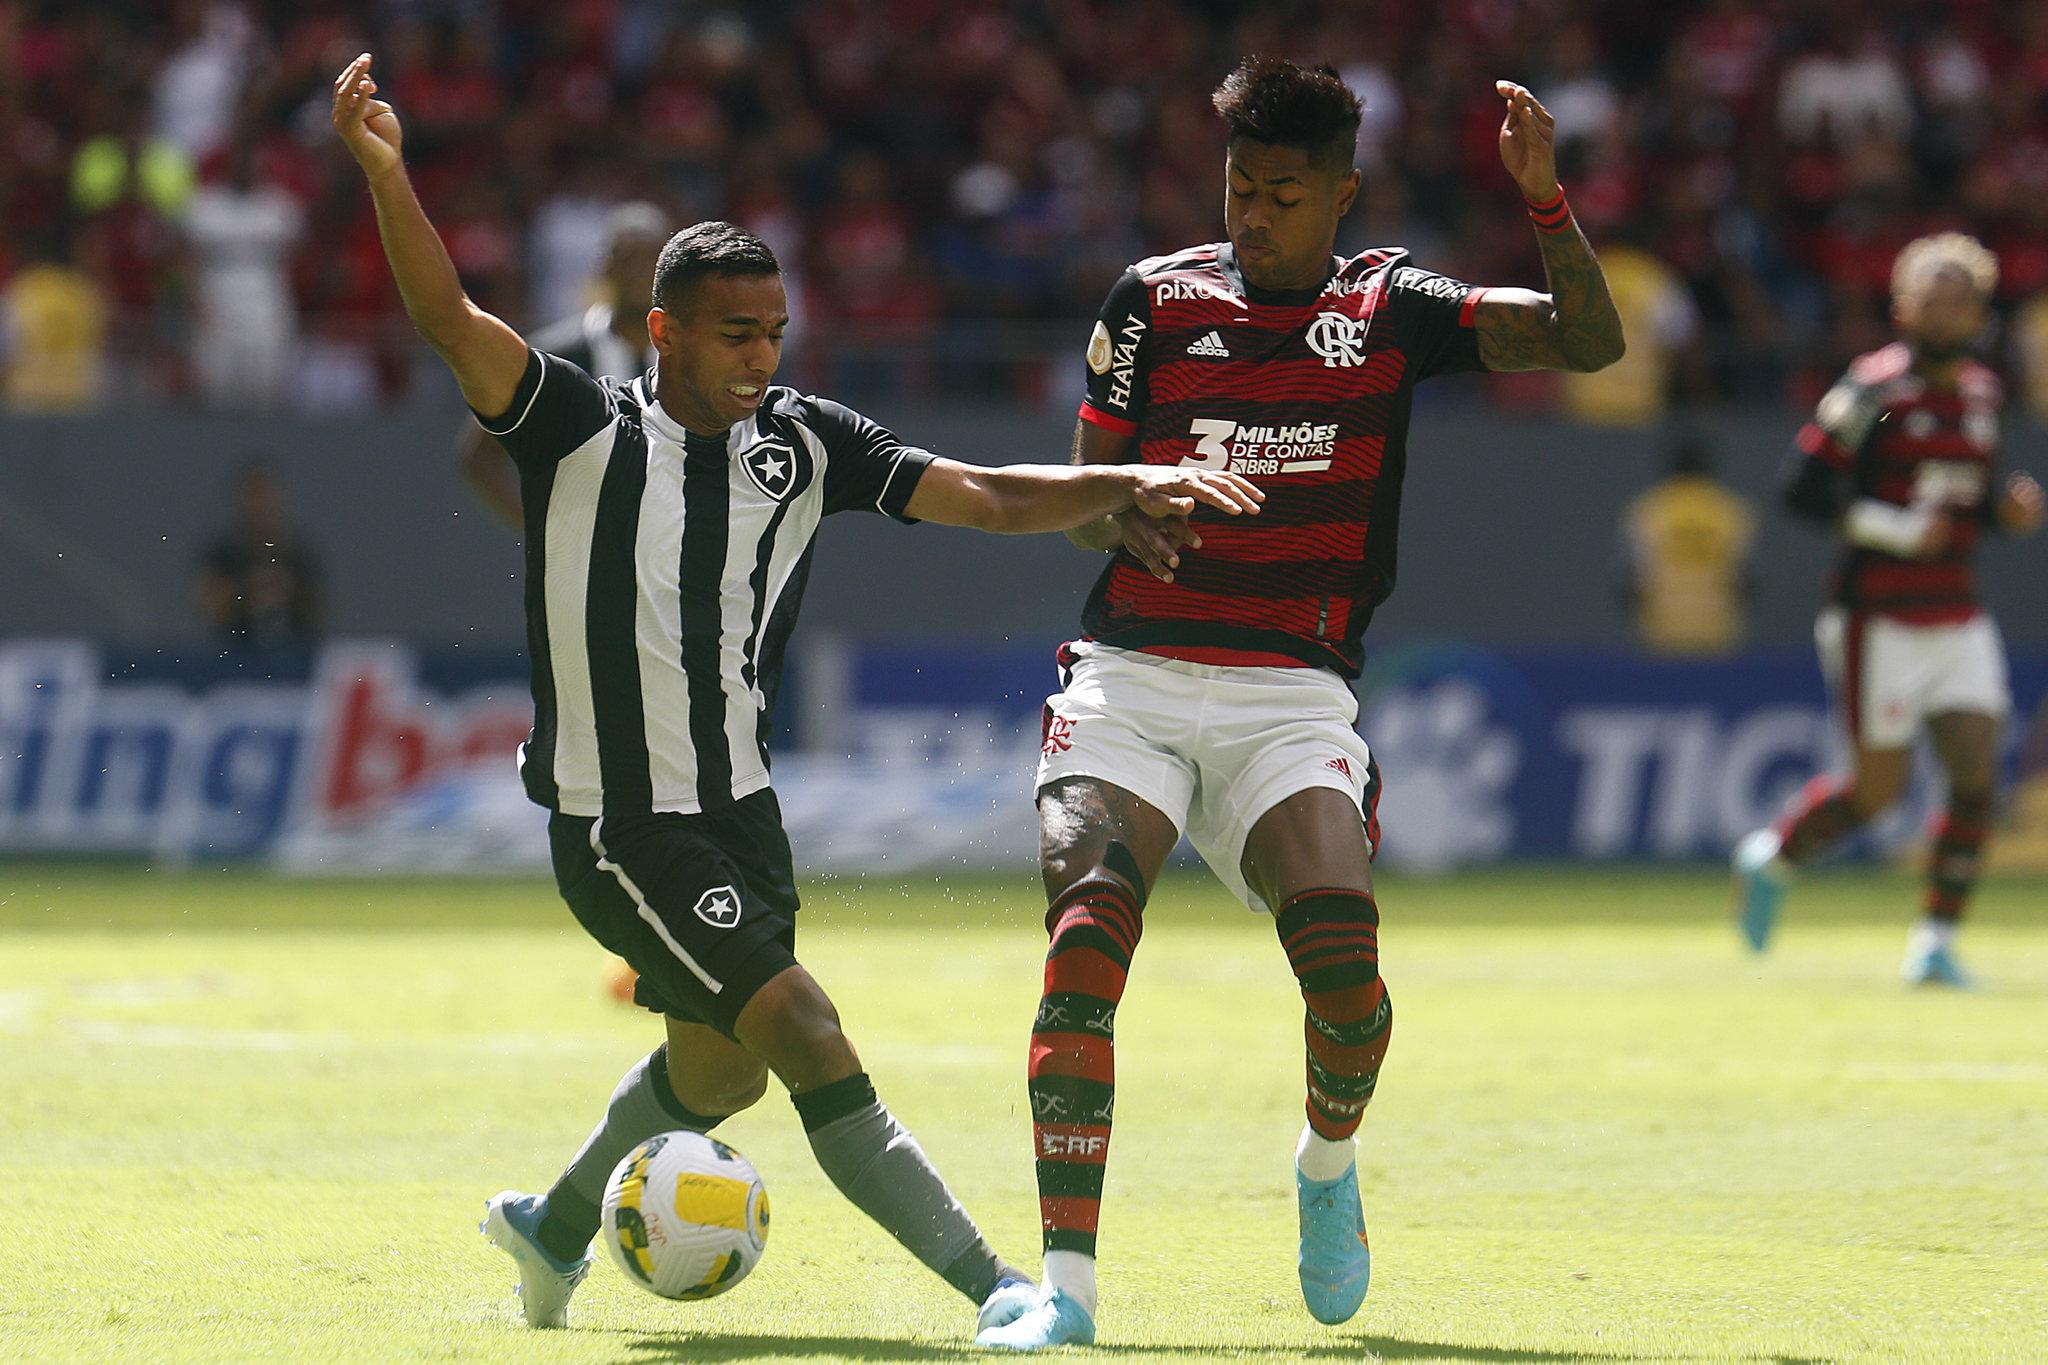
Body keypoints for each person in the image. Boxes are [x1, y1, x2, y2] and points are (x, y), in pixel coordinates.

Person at [328, 54, 1262, 1339]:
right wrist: (387, 174)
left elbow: (983, 495)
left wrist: (1119, 486)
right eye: (733, 335)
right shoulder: (576, 431)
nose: (761, 357)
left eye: (773, 332)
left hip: (743, 814)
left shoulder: (804, 443)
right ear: (661, 332)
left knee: (718, 1072)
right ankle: (998, 1288)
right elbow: (448, 319)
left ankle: (548, 1232)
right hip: (621, 826)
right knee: (808, 1031)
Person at [979, 58, 1624, 1350]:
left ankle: (1327, 1165)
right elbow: (1082, 491)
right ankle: (1069, 1292)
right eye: (1238, 187)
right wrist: (1128, 504)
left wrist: (1547, 207)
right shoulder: (1155, 301)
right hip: (1135, 682)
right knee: (1085, 952)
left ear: (1344, 193)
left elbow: (1589, 342)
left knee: (1345, 978)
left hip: (1290, 699)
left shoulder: (1398, 307)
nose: (1253, 213)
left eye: (1281, 192)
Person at [1732, 233, 2044, 987]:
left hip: (1956, 611)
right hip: (1877, 615)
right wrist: (1898, 528)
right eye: (1929, 302)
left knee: (1975, 772)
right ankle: (1774, 856)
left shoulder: (1981, 394)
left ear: (1978, 310)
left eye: (1957, 302)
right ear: (1902, 306)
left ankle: (1934, 939)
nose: (1943, 316)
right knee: (1877, 794)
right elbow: (1802, 487)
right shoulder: (1874, 392)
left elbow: (1967, 500)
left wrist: (2006, 512)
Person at [458, 202, 668, 526]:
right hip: (587, 560)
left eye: (652, 259)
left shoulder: (691, 356)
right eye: (629, 258)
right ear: (605, 267)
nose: (641, 271)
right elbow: (479, 456)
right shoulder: (557, 354)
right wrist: (542, 528)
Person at [1622, 436, 1755, 656]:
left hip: (1660, 635)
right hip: (1718, 635)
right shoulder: (1731, 511)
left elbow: (1632, 580)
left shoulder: (1647, 510)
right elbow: (1747, 580)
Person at [194, 461, 323, 647]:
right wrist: (248, 590)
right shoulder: (223, 554)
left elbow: (318, 605)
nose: (260, 506)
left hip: (295, 654)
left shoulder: (298, 553)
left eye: (266, 498)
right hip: (233, 652)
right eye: (254, 497)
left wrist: (287, 591)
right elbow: (208, 604)